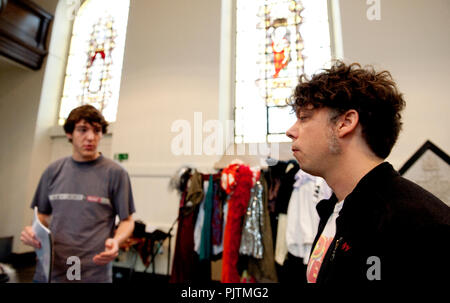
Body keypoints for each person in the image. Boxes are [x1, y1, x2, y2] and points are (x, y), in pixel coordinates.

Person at [286, 61, 450, 286]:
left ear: (345, 123)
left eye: (304, 118)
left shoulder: (421, 225)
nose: (291, 131)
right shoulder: (334, 209)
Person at [20, 105, 135, 282]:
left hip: (93, 273)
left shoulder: (116, 173)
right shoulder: (53, 171)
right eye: (82, 130)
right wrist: (32, 232)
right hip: (51, 272)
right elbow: (41, 215)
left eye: (97, 131)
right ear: (69, 133)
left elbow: (127, 220)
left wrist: (116, 241)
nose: (91, 137)